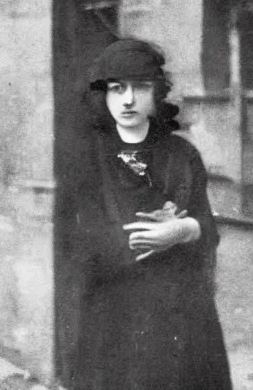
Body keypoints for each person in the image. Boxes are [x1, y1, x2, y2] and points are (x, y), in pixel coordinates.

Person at [62, 38, 232, 389]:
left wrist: (183, 230)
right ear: (103, 94)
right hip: (114, 313)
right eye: (116, 88)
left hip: (179, 313)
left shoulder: (181, 154)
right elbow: (79, 240)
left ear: (156, 93)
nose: (127, 99)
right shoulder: (85, 160)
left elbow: (208, 229)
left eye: (140, 88)